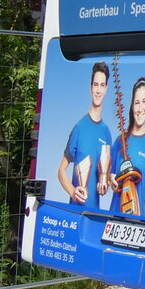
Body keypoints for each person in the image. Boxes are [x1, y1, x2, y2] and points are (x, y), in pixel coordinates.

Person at [108, 77, 145, 219]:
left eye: (144, 102)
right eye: (136, 103)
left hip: (138, 229)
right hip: (113, 224)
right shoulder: (119, 142)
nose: (140, 108)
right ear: (131, 106)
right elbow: (105, 175)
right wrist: (110, 178)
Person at [57, 61, 112, 209]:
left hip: (95, 215)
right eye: (95, 85)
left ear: (106, 89)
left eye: (102, 85)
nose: (98, 90)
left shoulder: (106, 133)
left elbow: (105, 177)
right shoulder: (79, 128)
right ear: (90, 88)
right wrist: (72, 191)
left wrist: (104, 184)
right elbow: (61, 171)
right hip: (75, 212)